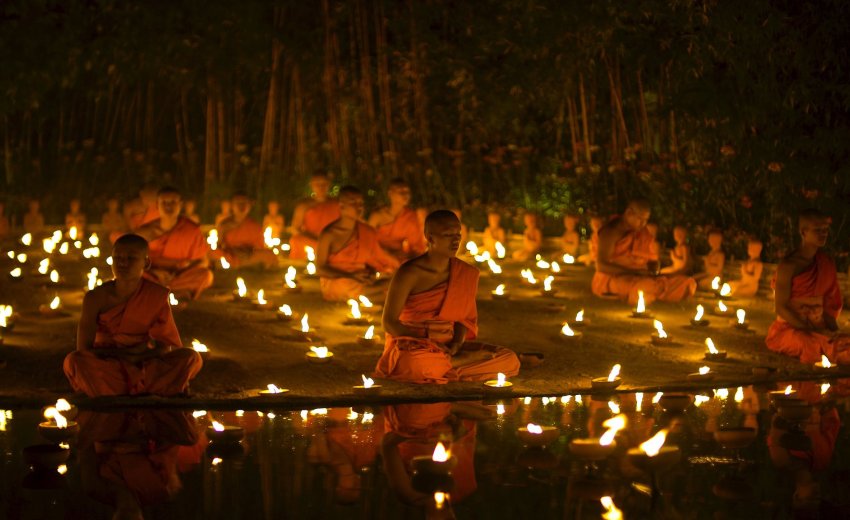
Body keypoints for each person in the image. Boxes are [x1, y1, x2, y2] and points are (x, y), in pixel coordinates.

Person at [375, 210, 520, 383]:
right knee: (414, 363)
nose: (455, 240)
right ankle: (454, 363)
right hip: (414, 345)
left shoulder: (464, 272)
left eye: (458, 235)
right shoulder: (409, 273)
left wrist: (457, 343)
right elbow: (389, 322)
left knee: (508, 358)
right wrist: (428, 343)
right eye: (448, 235)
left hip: (448, 344)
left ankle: (446, 364)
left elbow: (463, 319)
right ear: (430, 237)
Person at [63, 234, 203, 397]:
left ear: (146, 263)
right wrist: (126, 355)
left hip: (143, 364)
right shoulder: (95, 297)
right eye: (118, 258)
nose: (123, 263)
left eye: (131, 258)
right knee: (75, 361)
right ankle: (151, 390)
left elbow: (164, 346)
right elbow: (84, 349)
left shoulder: (155, 295)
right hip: (108, 364)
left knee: (191, 357)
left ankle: (109, 393)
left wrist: (138, 356)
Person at [766, 210, 850, 364]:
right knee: (809, 343)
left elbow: (830, 304)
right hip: (791, 329)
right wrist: (810, 329)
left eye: (825, 230)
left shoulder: (826, 263)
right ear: (803, 232)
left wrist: (834, 332)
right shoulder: (788, 266)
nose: (823, 234)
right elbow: (781, 307)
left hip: (819, 327)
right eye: (818, 230)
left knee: (844, 343)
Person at [591, 199, 696, 305]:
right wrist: (635, 272)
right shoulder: (611, 232)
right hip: (611, 278)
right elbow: (601, 266)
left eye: (646, 220)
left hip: (639, 277)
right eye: (640, 219)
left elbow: (649, 260)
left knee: (687, 282)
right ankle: (649, 293)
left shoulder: (641, 232)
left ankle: (650, 293)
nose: (643, 224)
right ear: (629, 213)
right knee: (646, 286)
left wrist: (653, 267)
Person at [317, 186, 399, 301]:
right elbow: (320, 269)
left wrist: (371, 272)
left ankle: (374, 294)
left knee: (396, 277)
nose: (359, 206)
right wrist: (351, 275)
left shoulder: (367, 231)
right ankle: (379, 294)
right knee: (345, 285)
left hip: (361, 278)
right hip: (340, 280)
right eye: (353, 202)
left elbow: (374, 259)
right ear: (341, 206)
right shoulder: (329, 234)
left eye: (361, 203)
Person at [136, 187, 213, 301]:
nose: (168, 206)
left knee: (206, 276)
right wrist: (153, 272)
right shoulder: (145, 231)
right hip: (153, 275)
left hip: (180, 275)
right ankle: (176, 293)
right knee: (136, 274)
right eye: (164, 202)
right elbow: (134, 261)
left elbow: (204, 261)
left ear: (180, 205)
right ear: (157, 205)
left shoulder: (191, 229)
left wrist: (179, 273)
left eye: (173, 202)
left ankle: (159, 292)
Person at [213, 193, 277, 269]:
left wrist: (247, 251)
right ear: (232, 206)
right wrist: (231, 251)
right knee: (214, 254)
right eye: (238, 203)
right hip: (231, 255)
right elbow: (219, 246)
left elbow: (259, 247)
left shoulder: (255, 226)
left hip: (249, 255)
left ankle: (248, 266)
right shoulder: (224, 225)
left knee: (269, 254)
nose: (241, 206)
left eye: (245, 203)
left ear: (249, 206)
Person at [368, 178, 426, 260]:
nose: (405, 195)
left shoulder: (410, 216)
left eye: (407, 192)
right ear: (390, 193)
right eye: (401, 192)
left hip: (400, 259)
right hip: (377, 257)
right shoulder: (378, 216)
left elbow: (416, 247)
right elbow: (366, 240)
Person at [290, 172, 341, 260]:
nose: (321, 187)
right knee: (296, 240)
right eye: (317, 184)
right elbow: (295, 229)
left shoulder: (337, 204)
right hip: (312, 241)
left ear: (329, 184)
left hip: (331, 241)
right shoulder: (304, 205)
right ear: (312, 185)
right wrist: (315, 241)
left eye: (324, 184)